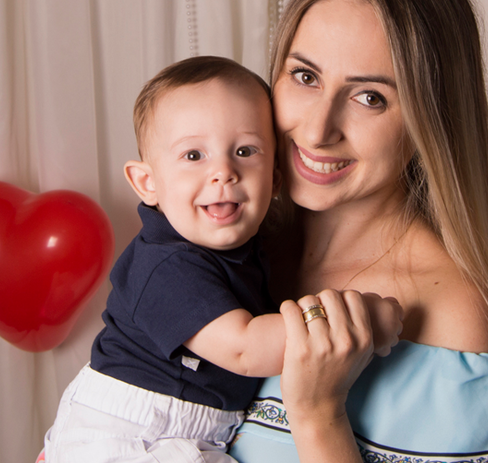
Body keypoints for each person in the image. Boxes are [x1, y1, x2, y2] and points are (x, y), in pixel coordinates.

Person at [228, 0, 488, 463]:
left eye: (369, 96)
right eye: (305, 76)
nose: (317, 128)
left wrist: (318, 415)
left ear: (429, 125)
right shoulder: (232, 247)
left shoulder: (451, 318)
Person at [42, 56, 403, 463]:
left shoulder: (248, 250)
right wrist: (359, 319)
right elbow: (245, 349)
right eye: (194, 156)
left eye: (245, 151)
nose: (224, 172)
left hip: (191, 430)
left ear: (275, 180)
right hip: (135, 435)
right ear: (148, 182)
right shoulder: (165, 266)